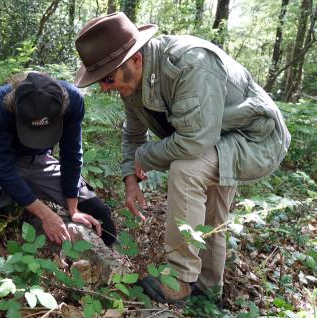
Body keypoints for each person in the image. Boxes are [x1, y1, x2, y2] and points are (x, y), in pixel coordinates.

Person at [74, 12, 290, 303]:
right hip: (221, 137)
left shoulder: (191, 63)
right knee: (212, 211)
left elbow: (194, 141)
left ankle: (180, 278)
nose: (104, 87)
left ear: (136, 59)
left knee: (187, 170)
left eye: (108, 77)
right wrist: (130, 179)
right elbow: (132, 135)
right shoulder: (132, 83)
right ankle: (209, 290)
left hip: (257, 137)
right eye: (101, 80)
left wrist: (144, 157)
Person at [0, 72, 117, 246]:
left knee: (101, 217)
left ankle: (24, 195)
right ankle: (22, 198)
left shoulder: (73, 100)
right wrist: (45, 214)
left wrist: (73, 209)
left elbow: (71, 154)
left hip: (41, 163)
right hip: (7, 163)